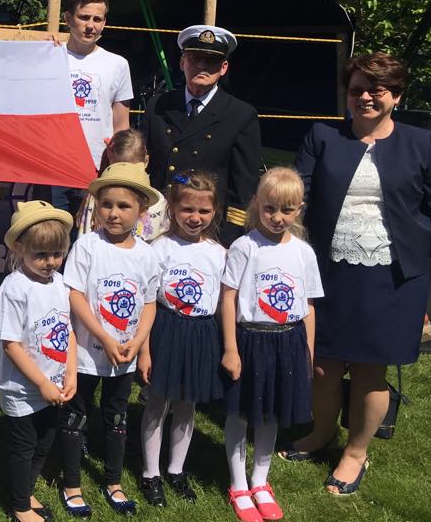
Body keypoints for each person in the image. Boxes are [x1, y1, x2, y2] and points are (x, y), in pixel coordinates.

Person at [281, 52, 431, 495]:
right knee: (322, 365)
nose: (365, 97)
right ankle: (321, 433)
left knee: (369, 370)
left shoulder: (421, 143)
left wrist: (413, 249)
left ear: (395, 96)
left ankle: (356, 452)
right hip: (328, 271)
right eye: (357, 89)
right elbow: (298, 192)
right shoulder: (323, 135)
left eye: (376, 90)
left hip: (392, 279)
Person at [221, 168, 322, 522]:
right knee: (240, 412)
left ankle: (260, 482)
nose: (278, 217)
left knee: (272, 412)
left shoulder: (304, 252)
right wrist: (230, 348)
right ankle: (238, 485)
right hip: (250, 340)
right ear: (256, 204)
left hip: (289, 341)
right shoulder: (244, 247)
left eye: (287, 210)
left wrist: (308, 350)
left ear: (299, 210)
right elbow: (228, 298)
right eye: (270, 209)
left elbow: (308, 305)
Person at [59, 163, 160, 518]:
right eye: (106, 205)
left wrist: (139, 342)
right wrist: (103, 335)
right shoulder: (87, 246)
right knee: (76, 415)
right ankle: (72, 484)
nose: (114, 213)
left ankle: (113, 481)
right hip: (85, 353)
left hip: (125, 357)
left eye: (123, 206)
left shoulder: (147, 255)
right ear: (96, 207)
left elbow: (149, 303)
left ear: (141, 210)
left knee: (117, 417)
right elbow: (74, 294)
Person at [138, 171, 226, 507]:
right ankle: (150, 473)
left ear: (214, 211)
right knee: (157, 402)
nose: (195, 217)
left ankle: (176, 469)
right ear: (172, 208)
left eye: (204, 211)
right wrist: (145, 351)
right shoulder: (159, 249)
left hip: (201, 333)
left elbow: (224, 302)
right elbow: (147, 300)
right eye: (187, 209)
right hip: (166, 329)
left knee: (188, 404)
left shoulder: (219, 253)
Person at [0, 200, 77, 522]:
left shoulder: (60, 283)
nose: (50, 262)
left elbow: (67, 331)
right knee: (25, 445)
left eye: (57, 253)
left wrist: (70, 373)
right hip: (23, 389)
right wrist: (41, 382)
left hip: (54, 385)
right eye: (41, 254)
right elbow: (11, 345)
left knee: (45, 442)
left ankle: (26, 491)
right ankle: (19, 507)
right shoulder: (15, 289)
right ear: (19, 248)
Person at [142, 25, 261, 244]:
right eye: (195, 58)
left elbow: (243, 188)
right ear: (182, 62)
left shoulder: (240, 115)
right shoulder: (159, 106)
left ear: (223, 68)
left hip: (207, 231)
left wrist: (229, 239)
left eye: (212, 61)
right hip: (158, 225)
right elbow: (144, 167)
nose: (202, 66)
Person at [53, 0, 133, 214]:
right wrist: (42, 45)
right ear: (68, 18)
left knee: (91, 232)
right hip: (53, 165)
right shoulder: (48, 55)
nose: (91, 25)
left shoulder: (118, 64)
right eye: (84, 17)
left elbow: (121, 125)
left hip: (97, 167)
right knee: (51, 233)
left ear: (104, 23)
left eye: (97, 19)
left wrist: (120, 170)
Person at [76, 129, 168, 242]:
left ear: (146, 161)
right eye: (118, 168)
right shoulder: (97, 199)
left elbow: (163, 244)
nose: (124, 176)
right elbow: (85, 239)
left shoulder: (157, 202)